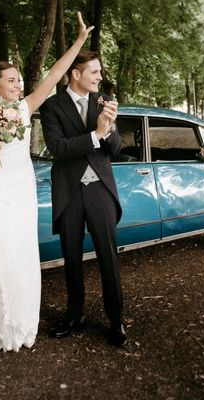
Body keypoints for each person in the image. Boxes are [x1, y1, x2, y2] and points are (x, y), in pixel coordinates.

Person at [0, 12, 93, 352]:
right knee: (1, 258)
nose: (19, 85)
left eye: (19, 80)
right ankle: (0, 331)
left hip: (21, 193)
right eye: (12, 81)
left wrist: (78, 41)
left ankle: (23, 326)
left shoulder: (27, 107)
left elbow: (55, 74)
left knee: (21, 255)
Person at [39, 49, 128, 348]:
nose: (100, 77)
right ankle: (74, 315)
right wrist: (95, 134)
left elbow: (116, 148)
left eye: (100, 72)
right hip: (68, 192)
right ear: (76, 73)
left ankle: (116, 320)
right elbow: (58, 148)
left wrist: (110, 128)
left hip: (100, 189)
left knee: (108, 256)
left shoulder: (103, 101)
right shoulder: (51, 107)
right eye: (94, 72)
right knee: (72, 258)